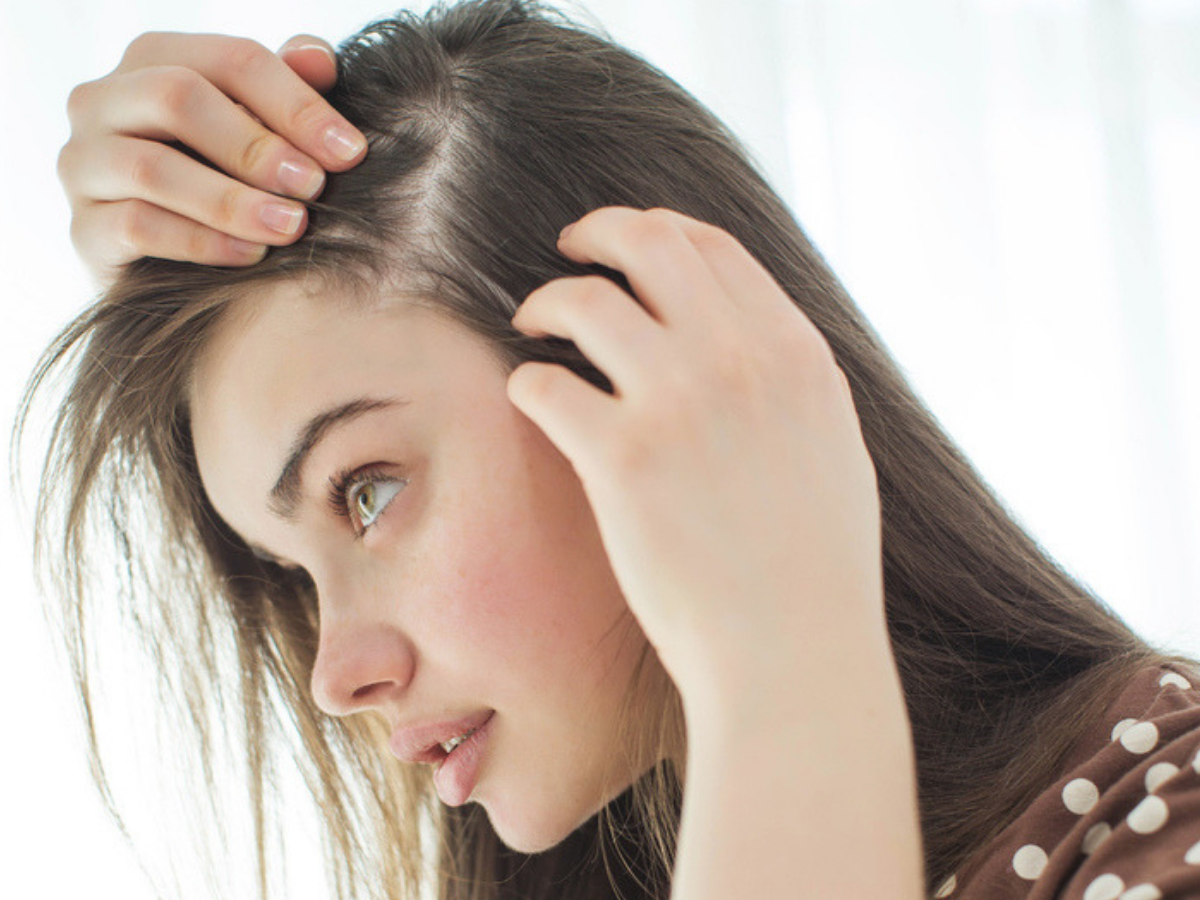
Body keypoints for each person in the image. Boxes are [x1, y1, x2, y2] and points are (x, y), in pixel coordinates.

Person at [21, 1, 1200, 899]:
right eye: (290, 570)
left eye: (367, 492)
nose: (336, 678)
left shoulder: (1164, 817)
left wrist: (783, 653)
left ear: (652, 360)